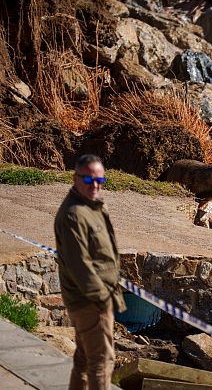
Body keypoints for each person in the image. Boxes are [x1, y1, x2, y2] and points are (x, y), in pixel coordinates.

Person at [54, 154, 126, 390]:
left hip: (95, 296)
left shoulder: (91, 206)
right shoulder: (73, 214)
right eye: (88, 179)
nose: (95, 185)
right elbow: (79, 265)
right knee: (102, 361)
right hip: (90, 300)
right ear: (75, 178)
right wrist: (102, 299)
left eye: (100, 180)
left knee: (85, 359)